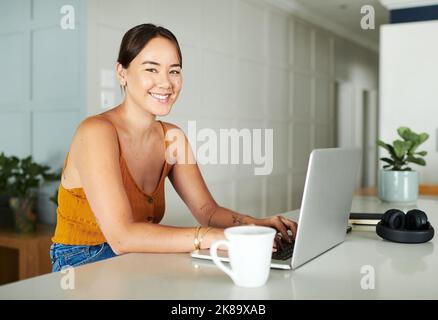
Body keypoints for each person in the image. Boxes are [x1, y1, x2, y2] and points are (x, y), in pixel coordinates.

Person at [50, 23, 297, 272]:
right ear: (122, 73)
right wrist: (211, 238)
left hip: (139, 255)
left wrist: (253, 224)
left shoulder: (172, 137)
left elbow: (208, 211)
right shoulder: (96, 131)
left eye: (174, 71)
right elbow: (121, 237)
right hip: (83, 261)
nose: (166, 83)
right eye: (151, 69)